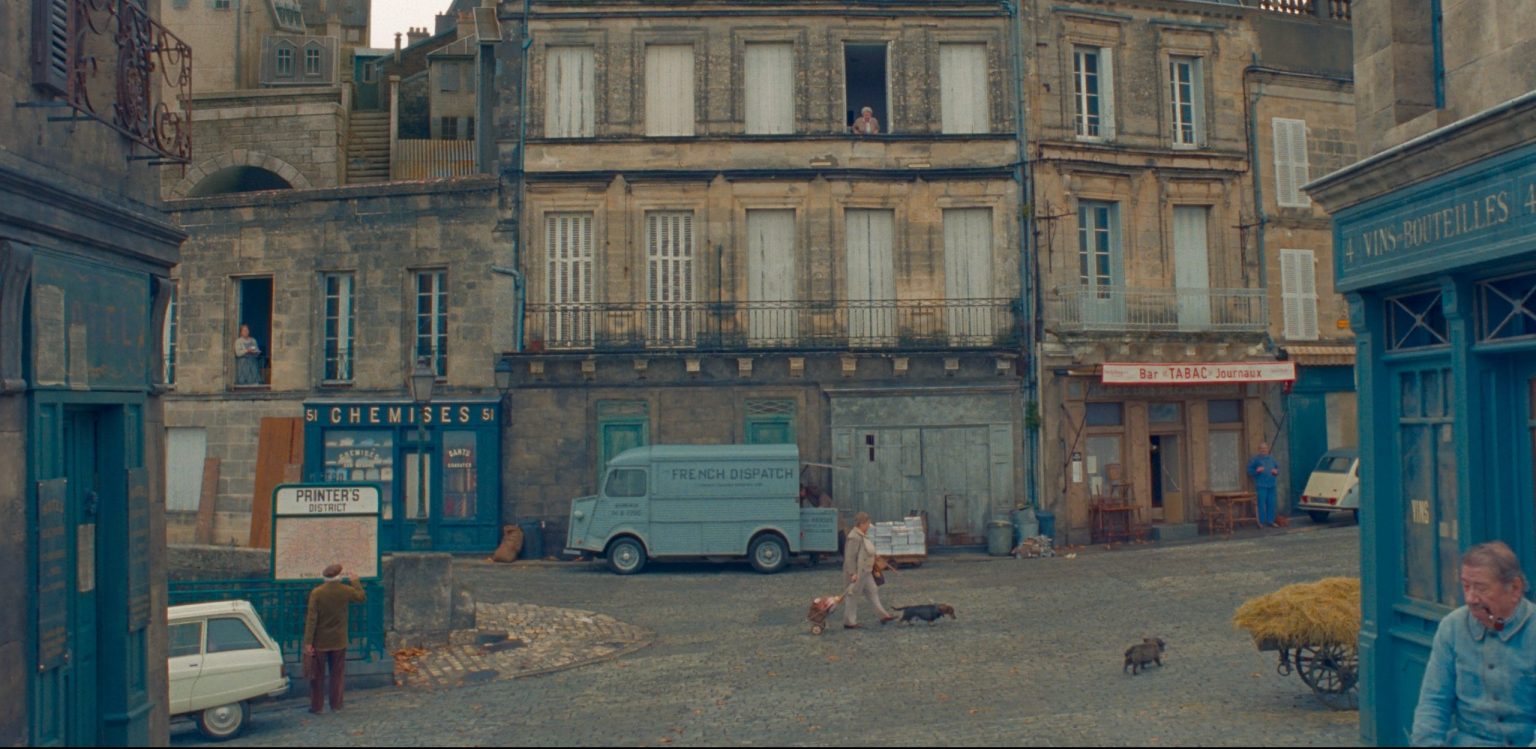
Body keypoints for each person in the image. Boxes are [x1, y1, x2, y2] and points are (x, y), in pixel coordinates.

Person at [1411, 541, 1536, 746]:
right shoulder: (1452, 627)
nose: (1470, 598)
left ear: (1515, 589)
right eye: (1466, 586)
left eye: (1481, 588)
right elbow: (1433, 703)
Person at [303, 563, 366, 714]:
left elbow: (311, 619)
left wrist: (308, 642)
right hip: (339, 639)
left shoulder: (317, 593)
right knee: (337, 674)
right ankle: (336, 704)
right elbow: (361, 597)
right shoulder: (345, 590)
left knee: (317, 675)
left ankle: (317, 706)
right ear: (339, 576)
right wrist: (355, 581)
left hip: (320, 641)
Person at [841, 512, 896, 629]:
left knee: (873, 591)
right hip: (858, 573)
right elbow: (850, 557)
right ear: (862, 523)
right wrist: (852, 573)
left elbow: (865, 550)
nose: (868, 526)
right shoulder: (854, 537)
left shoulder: (861, 535)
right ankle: (849, 622)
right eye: (868, 524)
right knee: (852, 595)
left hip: (866, 571)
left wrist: (874, 556)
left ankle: (883, 615)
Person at [1246, 442, 1281, 528]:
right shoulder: (1255, 460)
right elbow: (1249, 471)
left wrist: (1276, 472)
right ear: (1259, 450)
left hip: (1272, 484)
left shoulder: (1272, 459)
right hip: (1261, 485)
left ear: (1267, 449)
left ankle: (1270, 521)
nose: (1263, 450)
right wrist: (1257, 471)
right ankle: (1261, 522)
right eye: (1261, 448)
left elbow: (1277, 468)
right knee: (1261, 504)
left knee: (1271, 503)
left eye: (1265, 448)